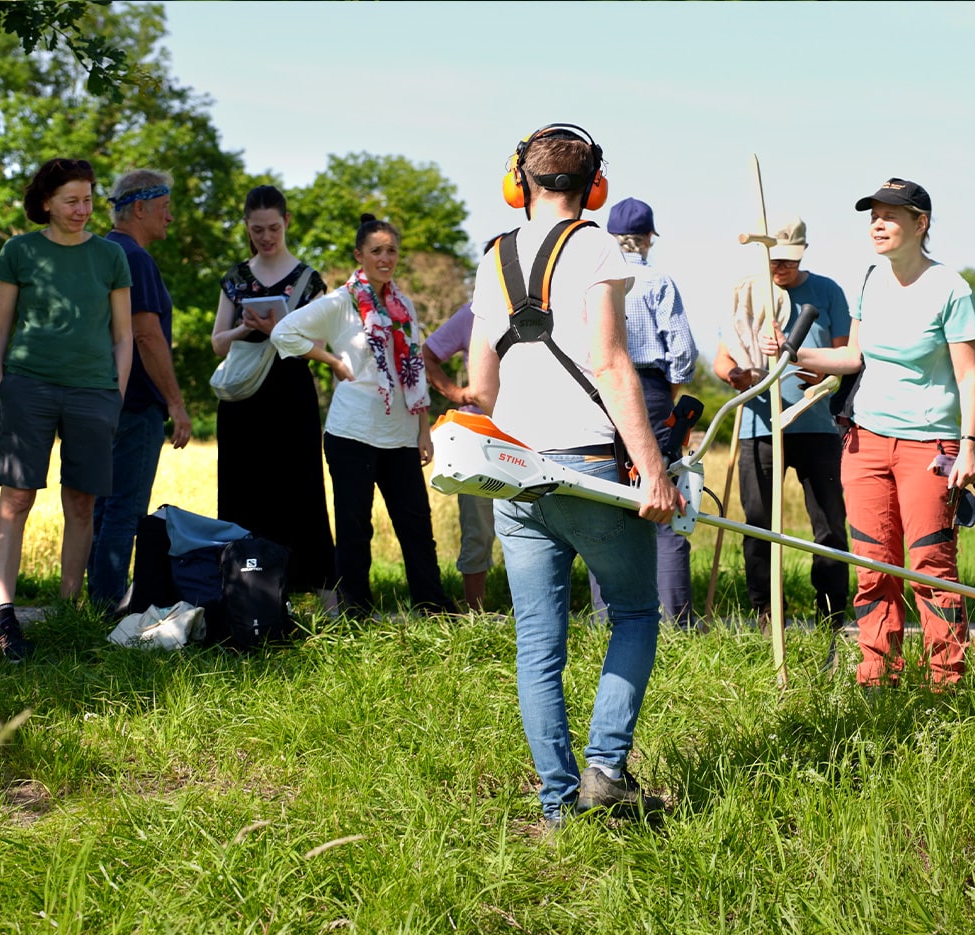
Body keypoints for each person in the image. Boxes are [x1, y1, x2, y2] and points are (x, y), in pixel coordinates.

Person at [467, 124, 682, 829]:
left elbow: (481, 381)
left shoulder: (494, 255)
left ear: (518, 181)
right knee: (634, 611)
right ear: (595, 188)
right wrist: (653, 471)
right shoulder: (595, 244)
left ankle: (557, 806)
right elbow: (613, 364)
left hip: (517, 471)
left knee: (538, 642)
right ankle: (607, 770)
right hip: (587, 466)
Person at [762, 179, 975, 689]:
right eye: (873, 216)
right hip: (864, 442)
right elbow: (853, 358)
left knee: (930, 564)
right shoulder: (870, 280)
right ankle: (876, 677)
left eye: (889, 216)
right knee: (871, 563)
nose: (877, 225)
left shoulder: (950, 288)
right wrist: (793, 353)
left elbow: (969, 376)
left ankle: (945, 684)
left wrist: (969, 446)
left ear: (920, 223)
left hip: (931, 446)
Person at [270, 213, 458, 619]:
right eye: (377, 251)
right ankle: (355, 612)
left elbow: (416, 370)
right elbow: (283, 332)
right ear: (360, 255)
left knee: (416, 528)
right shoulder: (341, 302)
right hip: (352, 432)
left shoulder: (403, 304)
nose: (385, 257)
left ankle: (433, 607)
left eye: (391, 250)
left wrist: (424, 431)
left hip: (402, 431)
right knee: (355, 529)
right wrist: (331, 361)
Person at [0, 157, 132, 660]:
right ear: (46, 202)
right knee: (17, 499)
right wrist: (4, 384)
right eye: (72, 200)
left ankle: (69, 613)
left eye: (89, 199)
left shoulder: (111, 256)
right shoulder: (19, 251)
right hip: (29, 387)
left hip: (94, 392)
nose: (82, 209)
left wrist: (116, 393)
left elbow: (123, 334)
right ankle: (5, 616)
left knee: (83, 503)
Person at [713, 217, 850, 632]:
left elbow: (843, 363)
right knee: (757, 524)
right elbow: (724, 361)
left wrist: (802, 366)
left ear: (803, 252)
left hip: (817, 426)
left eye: (789, 259)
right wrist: (738, 376)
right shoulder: (751, 292)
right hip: (761, 427)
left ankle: (831, 615)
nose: (781, 267)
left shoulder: (827, 292)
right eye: (774, 259)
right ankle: (766, 613)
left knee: (828, 524)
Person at [211, 185, 336, 601]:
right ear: (246, 227)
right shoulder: (234, 278)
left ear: (287, 224)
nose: (265, 237)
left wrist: (278, 331)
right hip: (243, 400)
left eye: (273, 228)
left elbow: (320, 346)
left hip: (290, 396)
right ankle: (243, 587)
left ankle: (317, 588)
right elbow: (217, 342)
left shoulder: (309, 280)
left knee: (300, 488)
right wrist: (249, 328)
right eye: (257, 229)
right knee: (241, 489)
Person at [589, 197, 699, 627]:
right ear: (648, 238)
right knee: (666, 504)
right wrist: (666, 387)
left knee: (604, 503)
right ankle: (676, 621)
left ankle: (607, 620)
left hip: (599, 391)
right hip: (650, 390)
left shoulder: (593, 280)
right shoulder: (658, 281)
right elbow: (684, 352)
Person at [88, 169, 191, 612]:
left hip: (93, 400)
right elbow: (147, 335)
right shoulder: (135, 257)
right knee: (123, 509)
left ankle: (87, 601)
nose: (170, 218)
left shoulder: (96, 252)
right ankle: (107, 606)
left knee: (94, 509)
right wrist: (176, 403)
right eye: (165, 209)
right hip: (133, 406)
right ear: (141, 208)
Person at [422, 302, 496, 610]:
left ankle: (538, 608)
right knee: (477, 526)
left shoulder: (542, 307)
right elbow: (427, 355)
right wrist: (456, 393)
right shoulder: (473, 313)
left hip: (530, 430)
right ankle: (475, 613)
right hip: (478, 434)